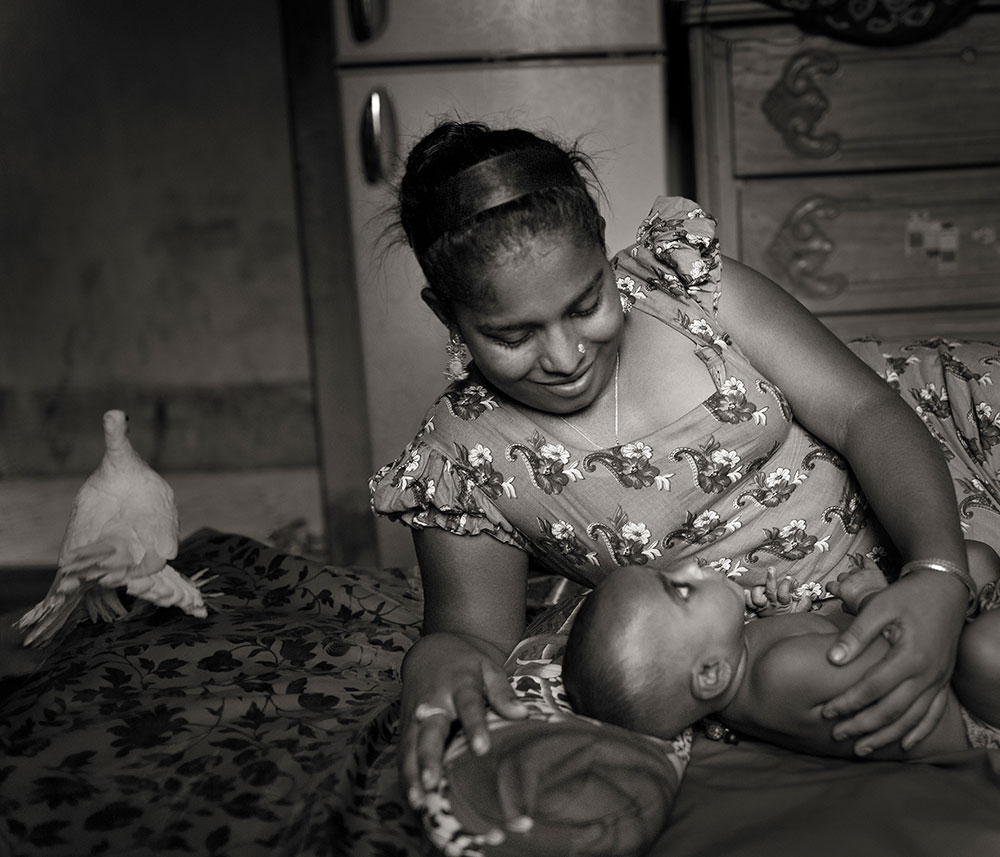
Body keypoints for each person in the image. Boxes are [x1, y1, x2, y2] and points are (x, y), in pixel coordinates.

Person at [369, 119, 1000, 808]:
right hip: (820, 625)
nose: (565, 356)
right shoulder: (464, 457)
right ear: (445, 313)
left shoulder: (687, 289)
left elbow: (864, 411)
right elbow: (466, 634)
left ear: (602, 250)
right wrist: (435, 663)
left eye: (585, 304)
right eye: (512, 335)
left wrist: (937, 570)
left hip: (935, 463)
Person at [561, 543, 1000, 759]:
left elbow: (813, 639)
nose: (691, 566)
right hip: (967, 709)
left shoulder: (745, 665)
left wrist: (785, 614)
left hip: (951, 668)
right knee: (984, 647)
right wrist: (871, 598)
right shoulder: (780, 675)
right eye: (680, 589)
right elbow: (899, 659)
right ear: (710, 673)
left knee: (972, 559)